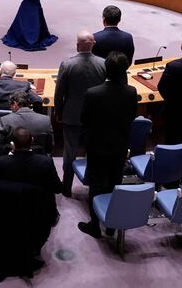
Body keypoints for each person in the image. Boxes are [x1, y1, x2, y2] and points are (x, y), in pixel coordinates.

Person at [78, 52, 138, 238]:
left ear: (106, 69)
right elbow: (131, 117)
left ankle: (95, 225)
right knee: (114, 182)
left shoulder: (93, 93)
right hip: (119, 145)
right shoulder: (131, 92)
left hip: (97, 146)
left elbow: (84, 119)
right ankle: (112, 224)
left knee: (96, 184)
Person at [55, 31, 106, 197]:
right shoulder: (103, 64)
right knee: (94, 151)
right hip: (96, 116)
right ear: (94, 44)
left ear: (77, 45)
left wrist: (59, 112)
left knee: (69, 152)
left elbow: (59, 92)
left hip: (72, 115)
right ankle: (93, 186)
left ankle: (67, 187)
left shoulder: (67, 64)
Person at [0, 127, 62, 247]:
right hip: (39, 213)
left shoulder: (2, 161)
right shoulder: (46, 162)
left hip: (9, 212)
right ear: (32, 141)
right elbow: (58, 188)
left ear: (12, 144)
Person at [0, 90, 53, 158]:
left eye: (10, 106)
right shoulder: (45, 120)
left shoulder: (5, 120)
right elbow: (49, 148)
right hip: (39, 163)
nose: (11, 109)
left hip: (13, 163)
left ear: (15, 104)